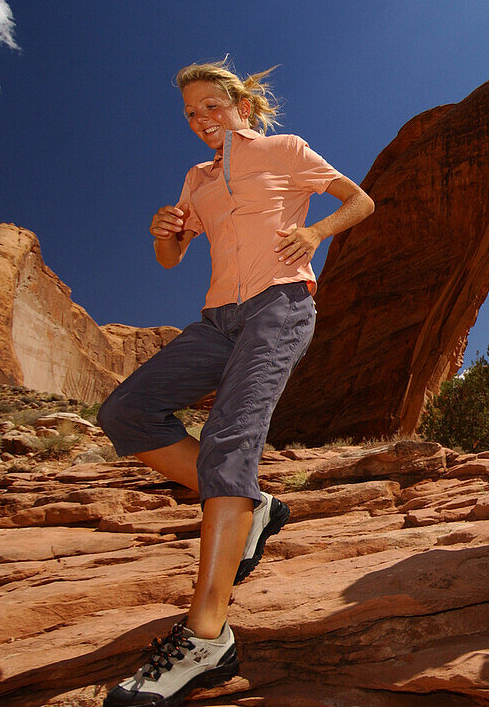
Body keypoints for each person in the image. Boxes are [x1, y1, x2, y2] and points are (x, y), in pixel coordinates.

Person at [97, 59, 374, 706]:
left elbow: (358, 199)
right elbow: (173, 256)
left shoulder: (285, 150)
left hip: (280, 306)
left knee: (229, 444)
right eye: (191, 114)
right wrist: (164, 235)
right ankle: (251, 505)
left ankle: (206, 638)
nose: (201, 121)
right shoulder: (196, 179)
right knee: (125, 413)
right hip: (218, 319)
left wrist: (314, 231)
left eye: (211, 108)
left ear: (241, 106)